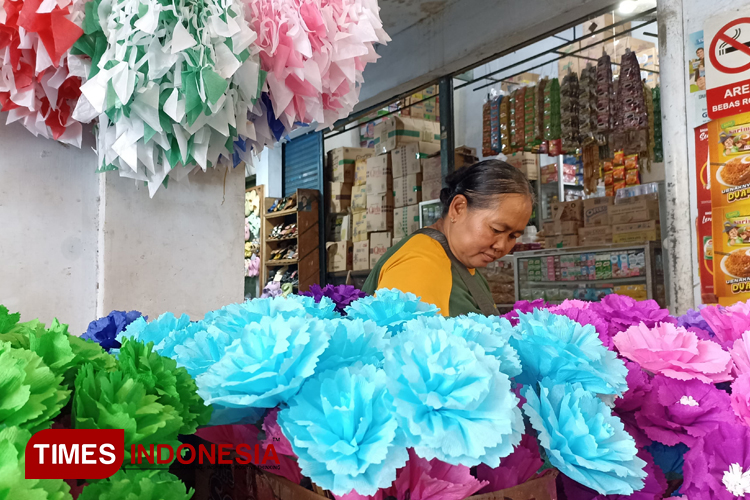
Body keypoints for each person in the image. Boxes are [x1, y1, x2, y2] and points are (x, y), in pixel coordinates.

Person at [362, 160, 534, 317]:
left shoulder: (462, 263)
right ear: (458, 208)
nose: (502, 246)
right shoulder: (420, 265)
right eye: (496, 229)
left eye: (513, 236)